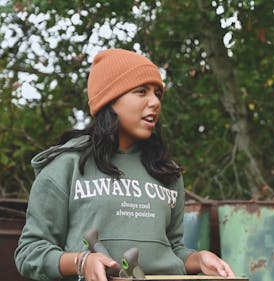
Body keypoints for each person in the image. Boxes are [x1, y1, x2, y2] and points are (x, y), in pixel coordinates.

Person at [15, 48, 235, 281]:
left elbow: (172, 250)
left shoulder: (166, 172)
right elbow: (30, 252)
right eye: (142, 92)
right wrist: (81, 262)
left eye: (158, 93)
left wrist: (198, 259)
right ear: (110, 100)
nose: (155, 102)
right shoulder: (65, 167)